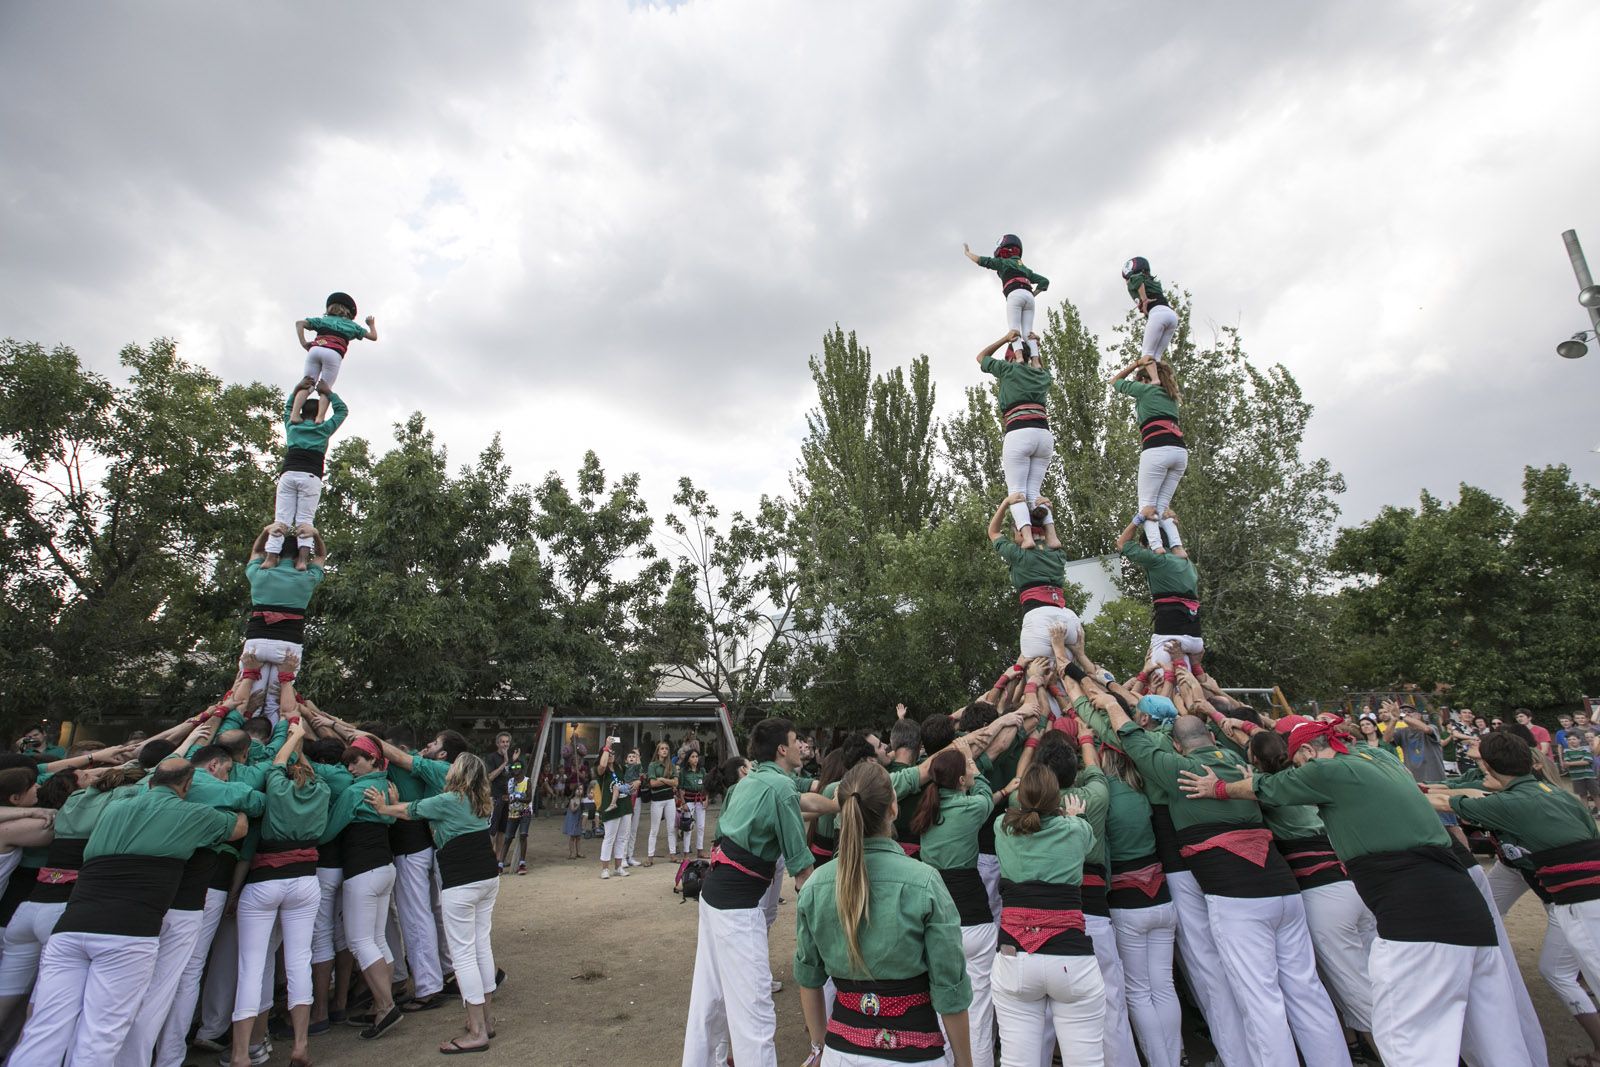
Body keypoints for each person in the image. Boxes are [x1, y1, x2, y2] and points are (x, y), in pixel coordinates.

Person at [1182, 718, 1534, 1066]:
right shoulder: (1379, 758)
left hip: (1414, 914)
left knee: (1408, 1041)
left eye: (1297, 762)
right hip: (1465, 905)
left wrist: (1219, 788)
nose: (1297, 770)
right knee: (1497, 1038)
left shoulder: (1325, 771)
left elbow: (1267, 787)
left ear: (1308, 752)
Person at [1078, 682, 1349, 1067]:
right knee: (1306, 990)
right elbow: (1257, 736)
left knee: (1245, 991)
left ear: (1175, 744)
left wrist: (1099, 695)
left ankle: (1241, 1059)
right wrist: (1210, 709)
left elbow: (1128, 735)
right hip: (1282, 886)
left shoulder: (1179, 770)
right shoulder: (1241, 764)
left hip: (1231, 893)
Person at [9, 758, 247, 1067]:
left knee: (44, 1028)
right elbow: (239, 827)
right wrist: (237, 801)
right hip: (127, 935)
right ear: (187, 786)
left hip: (71, 928)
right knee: (100, 1035)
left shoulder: (111, 809)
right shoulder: (190, 814)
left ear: (150, 782)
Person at [795, 761, 974, 1067]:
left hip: (840, 1053)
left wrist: (818, 1046)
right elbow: (949, 987)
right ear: (893, 807)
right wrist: (965, 1061)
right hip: (915, 1054)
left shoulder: (816, 885)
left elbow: (809, 978)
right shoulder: (925, 882)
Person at [682, 718, 818, 1067]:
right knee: (754, 1014)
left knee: (710, 999)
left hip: (713, 896)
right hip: (738, 909)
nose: (801, 746)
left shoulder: (748, 782)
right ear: (782, 749)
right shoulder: (780, 788)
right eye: (796, 741)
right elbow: (802, 869)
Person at [368, 753, 499, 1055]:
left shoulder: (450, 800)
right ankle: (486, 1020)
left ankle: (477, 1031)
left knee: (463, 955)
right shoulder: (482, 800)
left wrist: (383, 807)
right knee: (481, 947)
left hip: (462, 882)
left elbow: (411, 810)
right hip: (487, 878)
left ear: (459, 773)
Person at [229, 713, 328, 1067]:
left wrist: (293, 735)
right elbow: (302, 766)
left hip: (265, 879)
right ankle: (301, 1044)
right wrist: (301, 742)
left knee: (252, 965)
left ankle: (241, 1052)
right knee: (299, 960)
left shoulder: (276, 785)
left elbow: (278, 762)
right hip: (306, 881)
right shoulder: (323, 790)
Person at [990, 763, 1105, 1067]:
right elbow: (1086, 843)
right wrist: (1076, 816)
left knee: (1016, 1062)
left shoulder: (1002, 827)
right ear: (1058, 799)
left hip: (1014, 957)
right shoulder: (1076, 829)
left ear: (1020, 797)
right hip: (1071, 959)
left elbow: (1018, 818)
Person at [910, 746, 996, 1067]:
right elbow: (985, 794)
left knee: (942, 1008)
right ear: (961, 780)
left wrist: (966, 765)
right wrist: (977, 767)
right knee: (979, 1011)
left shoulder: (926, 811)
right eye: (967, 769)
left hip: (937, 923)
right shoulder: (972, 807)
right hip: (974, 918)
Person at [241, 522, 326, 723]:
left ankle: (246, 735)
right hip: (287, 646)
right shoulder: (307, 577)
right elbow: (321, 556)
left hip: (256, 643)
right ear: (299, 557)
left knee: (251, 698)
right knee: (276, 703)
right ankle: (275, 733)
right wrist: (315, 534)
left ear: (276, 555)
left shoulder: (260, 572)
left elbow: (256, 551)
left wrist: (266, 531)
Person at [977, 329, 1054, 541]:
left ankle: (1027, 538)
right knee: (1034, 493)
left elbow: (981, 357)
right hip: (1044, 435)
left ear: (1011, 356)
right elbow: (1039, 366)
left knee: (1017, 491)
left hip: (1019, 431)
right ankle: (1052, 536)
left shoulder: (1008, 369)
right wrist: (1035, 348)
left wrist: (1005, 339)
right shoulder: (1042, 375)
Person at [988, 493, 1081, 667]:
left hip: (1037, 617)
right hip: (1067, 619)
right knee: (1071, 674)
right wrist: (1047, 513)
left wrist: (1006, 503)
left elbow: (993, 532)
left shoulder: (1018, 554)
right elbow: (1050, 539)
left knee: (1034, 675)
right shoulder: (1057, 554)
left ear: (1021, 532)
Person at [262, 389, 347, 570]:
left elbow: (288, 407)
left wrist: (298, 389)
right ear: (319, 413)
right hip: (311, 476)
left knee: (281, 519)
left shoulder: (292, 425)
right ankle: (301, 560)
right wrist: (328, 393)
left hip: (289, 474)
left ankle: (270, 558)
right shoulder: (323, 428)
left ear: (300, 412)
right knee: (305, 521)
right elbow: (342, 411)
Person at [1109, 357, 1187, 545]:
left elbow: (1115, 381)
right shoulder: (1171, 396)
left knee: (1146, 505)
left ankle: (1156, 546)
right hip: (1179, 452)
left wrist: (1137, 363)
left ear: (1144, 380)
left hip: (1157, 449)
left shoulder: (1145, 390)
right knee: (1162, 506)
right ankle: (1177, 546)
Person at [1114, 519, 1202, 678]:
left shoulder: (1157, 559)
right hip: (1195, 637)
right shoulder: (1187, 563)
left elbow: (1121, 543)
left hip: (1169, 635)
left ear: (1149, 545)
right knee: (1189, 683)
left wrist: (1139, 518)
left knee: (1159, 682)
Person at [293, 291, 376, 423]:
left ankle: (295, 415)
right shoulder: (352, 325)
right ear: (349, 312)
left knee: (307, 383)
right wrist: (371, 324)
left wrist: (304, 343)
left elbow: (299, 323)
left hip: (315, 350)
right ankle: (320, 418)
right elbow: (373, 337)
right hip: (333, 353)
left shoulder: (322, 320)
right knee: (325, 388)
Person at [965, 235, 1049, 362]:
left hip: (1014, 294)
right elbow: (1044, 281)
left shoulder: (1003, 262)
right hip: (1029, 298)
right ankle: (1036, 362)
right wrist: (1033, 294)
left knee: (1014, 330)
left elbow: (980, 260)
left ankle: (1019, 357)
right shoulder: (1026, 269)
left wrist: (967, 253)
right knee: (1028, 333)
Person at [1120, 257, 1179, 363]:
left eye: (1126, 278)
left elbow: (1137, 279)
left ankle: (1153, 374)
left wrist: (1144, 300)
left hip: (1157, 314)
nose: (1126, 281)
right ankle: (1159, 374)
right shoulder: (1153, 283)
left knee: (1147, 354)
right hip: (1171, 316)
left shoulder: (1134, 279)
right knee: (1156, 357)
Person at [645, 740, 680, 866]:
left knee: (671, 828)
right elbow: (653, 783)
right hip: (657, 800)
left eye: (666, 748)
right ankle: (650, 857)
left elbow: (676, 783)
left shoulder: (671, 765)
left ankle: (673, 854)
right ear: (658, 751)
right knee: (654, 829)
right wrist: (668, 781)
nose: (664, 750)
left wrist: (662, 779)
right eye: (662, 748)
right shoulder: (652, 765)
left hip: (669, 799)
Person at [500, 763, 533, 873]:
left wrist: (517, 799)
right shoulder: (510, 782)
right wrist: (507, 799)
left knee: (523, 834)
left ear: (522, 769)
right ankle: (500, 864)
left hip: (525, 810)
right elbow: (506, 796)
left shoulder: (527, 781)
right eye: (513, 767)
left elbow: (529, 798)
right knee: (508, 837)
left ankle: (522, 863)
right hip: (513, 812)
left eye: (518, 767)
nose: (515, 769)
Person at [679, 749, 709, 859]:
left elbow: (706, 786)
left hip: (700, 800)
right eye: (692, 757)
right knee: (688, 827)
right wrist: (683, 803)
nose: (695, 759)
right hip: (689, 801)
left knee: (701, 826)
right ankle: (686, 852)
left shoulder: (702, 770)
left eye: (696, 756)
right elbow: (680, 788)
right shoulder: (683, 772)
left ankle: (700, 850)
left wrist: (706, 800)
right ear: (688, 759)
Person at [1564, 731, 1600, 814]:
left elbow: (1587, 762)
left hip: (1589, 776)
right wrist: (1580, 761)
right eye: (1569, 739)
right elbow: (1566, 764)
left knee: (1595, 794)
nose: (1571, 741)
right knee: (1582, 795)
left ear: (1579, 740)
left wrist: (1570, 763)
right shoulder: (1566, 751)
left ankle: (1599, 811)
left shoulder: (1586, 749)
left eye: (1574, 739)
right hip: (1576, 777)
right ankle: (1587, 812)